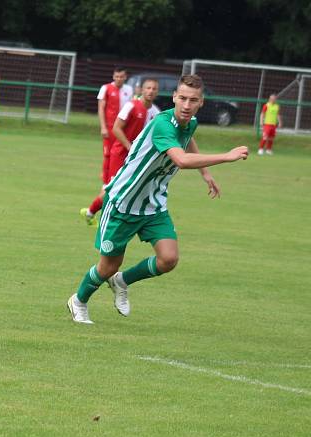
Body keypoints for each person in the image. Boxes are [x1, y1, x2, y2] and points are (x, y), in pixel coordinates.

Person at [67, 74, 248, 324]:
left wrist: (205, 173)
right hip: (123, 202)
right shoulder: (163, 124)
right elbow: (182, 160)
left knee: (169, 259)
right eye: (182, 98)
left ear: (201, 102)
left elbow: (188, 140)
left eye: (192, 100)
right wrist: (226, 156)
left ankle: (122, 281)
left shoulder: (190, 122)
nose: (186, 105)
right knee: (108, 266)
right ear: (174, 97)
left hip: (153, 203)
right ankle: (79, 300)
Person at [81, 78, 160, 225]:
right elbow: (116, 129)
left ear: (157, 92)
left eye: (154, 89)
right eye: (148, 88)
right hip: (120, 154)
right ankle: (91, 212)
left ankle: (110, 216)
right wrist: (130, 147)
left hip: (136, 158)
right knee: (112, 189)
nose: (151, 91)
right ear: (142, 90)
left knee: (131, 189)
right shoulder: (131, 106)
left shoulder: (156, 113)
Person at [83, 67, 134, 225]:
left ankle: (108, 181)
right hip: (110, 131)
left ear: (125, 77)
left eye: (122, 76)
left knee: (119, 157)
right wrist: (103, 127)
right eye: (116, 76)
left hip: (122, 131)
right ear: (113, 76)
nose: (119, 78)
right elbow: (101, 108)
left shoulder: (129, 90)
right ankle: (106, 179)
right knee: (109, 156)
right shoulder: (106, 88)